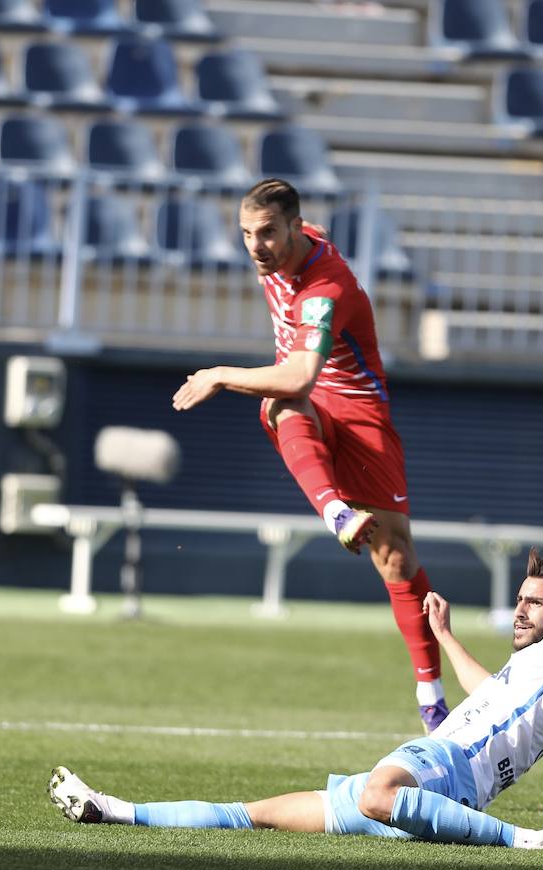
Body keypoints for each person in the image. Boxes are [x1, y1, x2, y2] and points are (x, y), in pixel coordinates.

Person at [48, 513, 543, 853]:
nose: (521, 610)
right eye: (520, 600)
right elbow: (488, 693)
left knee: (381, 789)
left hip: (445, 767)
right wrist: (443, 637)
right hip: (448, 794)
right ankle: (112, 810)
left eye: (535, 603)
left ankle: (532, 842)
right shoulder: (532, 671)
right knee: (255, 816)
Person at [170, 178, 447, 732]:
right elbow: (295, 385)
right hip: (310, 402)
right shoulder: (282, 250)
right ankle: (335, 512)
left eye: (268, 232)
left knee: (395, 558)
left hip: (361, 411)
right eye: (247, 233)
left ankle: (432, 698)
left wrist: (220, 374)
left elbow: (301, 370)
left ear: (297, 228)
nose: (255, 245)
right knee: (281, 405)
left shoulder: (326, 288)